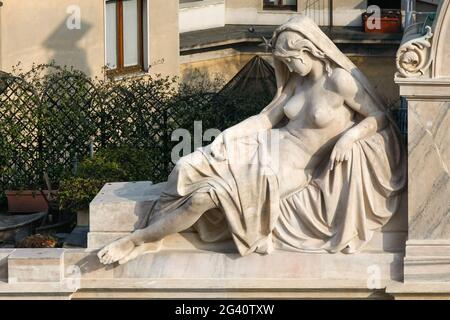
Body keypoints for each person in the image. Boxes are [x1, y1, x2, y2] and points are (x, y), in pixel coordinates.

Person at [98, 16, 406, 265]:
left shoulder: (340, 81)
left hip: (291, 169)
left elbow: (379, 117)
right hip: (263, 147)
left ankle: (140, 240)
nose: (287, 68)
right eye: (283, 62)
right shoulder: (296, 83)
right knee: (187, 165)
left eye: (292, 60)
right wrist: (228, 135)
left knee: (204, 197)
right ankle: (151, 232)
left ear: (311, 50)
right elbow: (266, 120)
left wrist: (350, 137)